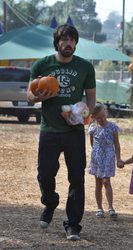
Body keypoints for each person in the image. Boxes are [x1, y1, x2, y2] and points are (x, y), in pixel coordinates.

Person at [26, 24, 96, 241]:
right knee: (45, 175)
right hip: (50, 129)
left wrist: (85, 114)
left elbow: (91, 97)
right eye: (64, 40)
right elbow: (30, 95)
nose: (69, 44)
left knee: (77, 178)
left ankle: (73, 224)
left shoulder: (85, 67)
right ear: (57, 42)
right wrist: (39, 98)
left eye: (72, 40)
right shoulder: (42, 65)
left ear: (76, 43)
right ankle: (50, 202)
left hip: (74, 131)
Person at [88, 103, 122, 219]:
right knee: (98, 183)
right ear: (94, 117)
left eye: (103, 116)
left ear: (106, 113)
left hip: (108, 156)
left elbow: (116, 144)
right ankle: (99, 208)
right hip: (97, 157)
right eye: (99, 117)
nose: (102, 119)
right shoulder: (93, 128)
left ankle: (111, 207)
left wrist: (118, 159)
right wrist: (96, 154)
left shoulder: (112, 127)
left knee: (106, 181)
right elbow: (92, 144)